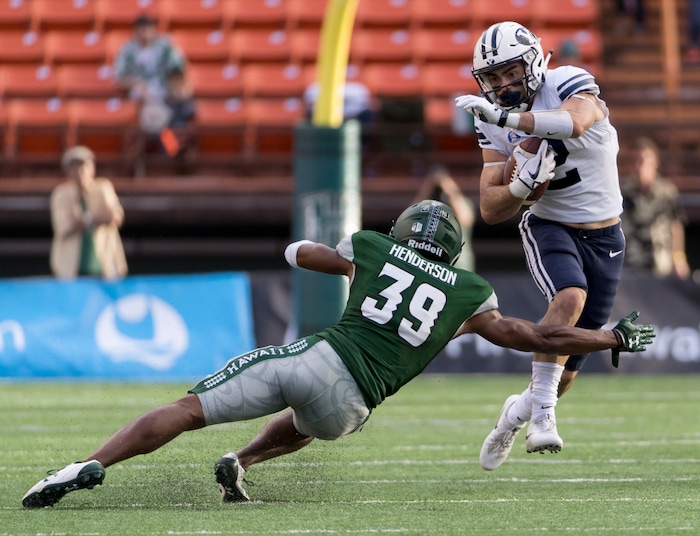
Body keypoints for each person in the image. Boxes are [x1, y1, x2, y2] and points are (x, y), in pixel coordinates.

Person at [22, 200, 654, 507]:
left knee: (188, 407)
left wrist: (310, 251)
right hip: (351, 408)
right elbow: (540, 337)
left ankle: (87, 464)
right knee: (304, 424)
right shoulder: (469, 293)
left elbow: (303, 255)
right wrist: (610, 337)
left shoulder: (376, 248)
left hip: (319, 357)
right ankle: (242, 463)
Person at [455, 21, 626, 470]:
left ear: (532, 63)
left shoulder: (566, 81)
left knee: (566, 369)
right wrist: (519, 188)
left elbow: (574, 121)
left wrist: (508, 120)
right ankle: (543, 419)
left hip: (607, 234)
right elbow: (490, 208)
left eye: (509, 72)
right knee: (569, 296)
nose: (501, 85)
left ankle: (514, 416)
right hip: (551, 224)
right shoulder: (488, 117)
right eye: (490, 78)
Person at [50, 146, 127, 280]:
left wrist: (82, 221)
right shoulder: (61, 194)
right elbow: (64, 227)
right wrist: (95, 218)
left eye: (85, 166)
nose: (81, 171)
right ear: (67, 171)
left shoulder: (103, 187)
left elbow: (115, 216)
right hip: (70, 270)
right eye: (75, 167)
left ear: (92, 168)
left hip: (104, 268)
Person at [620, 137, 691, 279]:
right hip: (631, 263)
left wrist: (679, 258)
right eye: (635, 161)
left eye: (644, 161)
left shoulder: (667, 192)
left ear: (655, 163)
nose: (639, 166)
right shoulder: (621, 192)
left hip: (660, 262)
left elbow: (675, 225)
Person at [414, 164, 476, 272]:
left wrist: (446, 184)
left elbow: (466, 218)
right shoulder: (427, 207)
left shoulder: (461, 202)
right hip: (432, 266)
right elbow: (412, 217)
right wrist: (428, 187)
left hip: (458, 265)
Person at [114, 14, 186, 104]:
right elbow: (119, 78)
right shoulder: (127, 49)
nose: (144, 32)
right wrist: (136, 82)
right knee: (141, 94)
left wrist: (175, 86)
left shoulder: (165, 46)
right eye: (141, 29)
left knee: (183, 92)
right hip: (140, 95)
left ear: (154, 29)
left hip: (165, 91)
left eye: (147, 28)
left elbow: (178, 69)